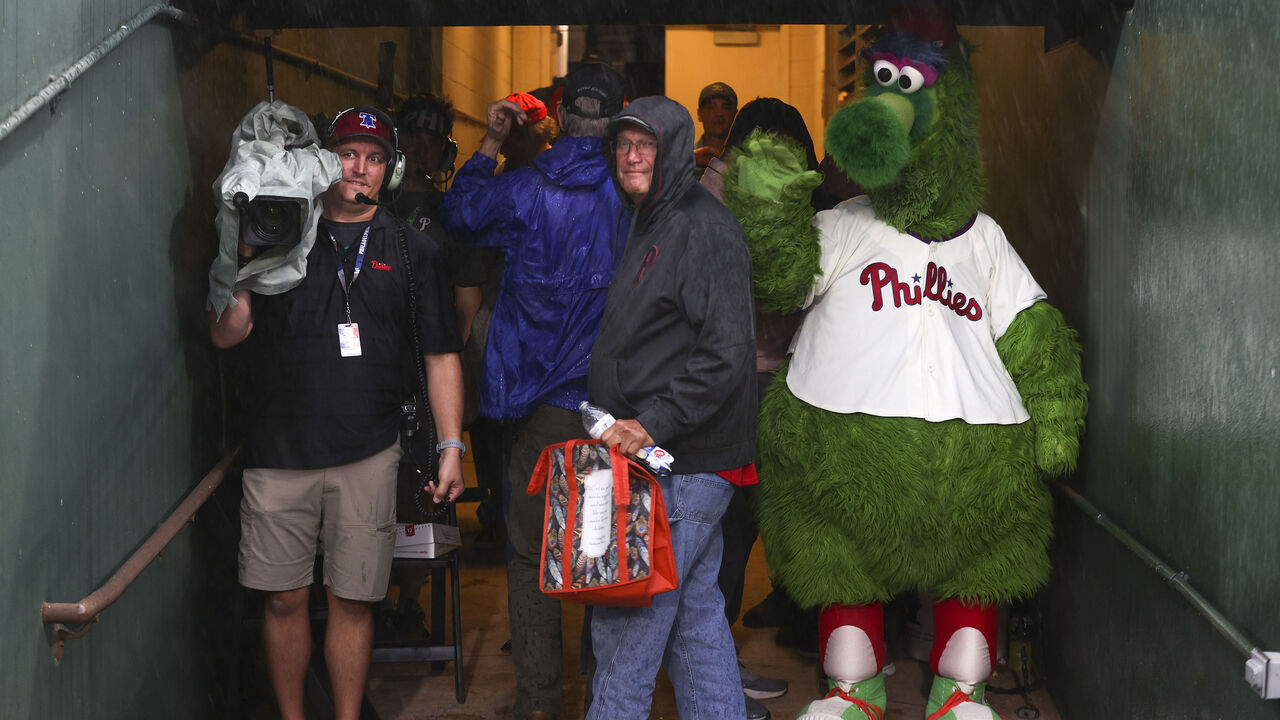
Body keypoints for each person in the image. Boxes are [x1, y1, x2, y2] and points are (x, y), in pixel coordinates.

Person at [210, 105, 465, 720]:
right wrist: (242, 262)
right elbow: (226, 336)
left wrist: (452, 446)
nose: (361, 169)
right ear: (324, 161)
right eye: (348, 154)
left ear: (391, 171)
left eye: (375, 159)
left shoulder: (413, 250)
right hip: (279, 454)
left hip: (370, 453)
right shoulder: (283, 230)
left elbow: (440, 356)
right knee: (282, 601)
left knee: (353, 599)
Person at [440, 63, 627, 720]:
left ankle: (542, 703)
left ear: (555, 114)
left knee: (530, 555)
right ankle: (610, 700)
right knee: (601, 558)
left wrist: (491, 142)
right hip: (610, 408)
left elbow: (458, 214)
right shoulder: (634, 195)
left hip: (534, 406)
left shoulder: (523, 190)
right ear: (619, 118)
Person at [585, 95, 757, 720]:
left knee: (628, 630)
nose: (632, 156)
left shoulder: (700, 226)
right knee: (694, 624)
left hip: (679, 465)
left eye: (647, 145)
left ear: (675, 152)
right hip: (671, 464)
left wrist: (651, 421)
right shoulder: (653, 216)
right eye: (624, 144)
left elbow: (726, 353)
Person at [694, 81, 738, 177]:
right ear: (699, 114)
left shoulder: (748, 161)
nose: (719, 114)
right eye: (711, 107)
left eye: (725, 108)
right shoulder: (685, 162)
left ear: (736, 115)